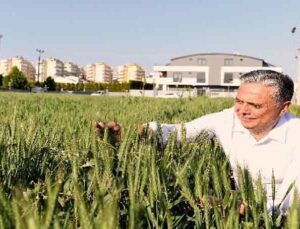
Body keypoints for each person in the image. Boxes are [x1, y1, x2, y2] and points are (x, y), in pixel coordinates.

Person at [95, 69, 300, 213]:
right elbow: (178, 133)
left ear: (283, 108)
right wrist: (138, 133)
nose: (242, 111)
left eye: (254, 105)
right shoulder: (226, 119)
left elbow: (291, 202)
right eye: (239, 101)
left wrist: (239, 209)